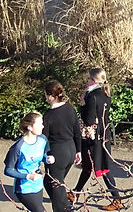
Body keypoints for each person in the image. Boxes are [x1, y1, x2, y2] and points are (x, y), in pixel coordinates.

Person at [71, 68, 124, 211]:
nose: (86, 81)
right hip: (104, 134)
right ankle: (75, 192)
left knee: (102, 169)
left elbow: (88, 119)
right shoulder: (105, 93)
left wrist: (82, 105)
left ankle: (117, 199)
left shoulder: (91, 96)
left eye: (88, 78)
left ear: (94, 80)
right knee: (89, 166)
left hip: (94, 138)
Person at [43, 80, 82, 212]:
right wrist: (79, 151)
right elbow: (77, 131)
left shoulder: (49, 116)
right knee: (49, 182)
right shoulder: (70, 108)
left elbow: (44, 139)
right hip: (70, 149)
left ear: (50, 96)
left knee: (55, 184)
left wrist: (44, 155)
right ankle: (65, 204)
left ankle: (65, 208)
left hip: (57, 153)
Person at [4, 111, 52, 212]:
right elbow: (8, 170)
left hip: (38, 184)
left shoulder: (43, 140)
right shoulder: (18, 147)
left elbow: (43, 156)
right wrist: (28, 176)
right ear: (29, 127)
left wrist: (47, 159)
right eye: (39, 124)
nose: (42, 126)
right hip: (24, 188)